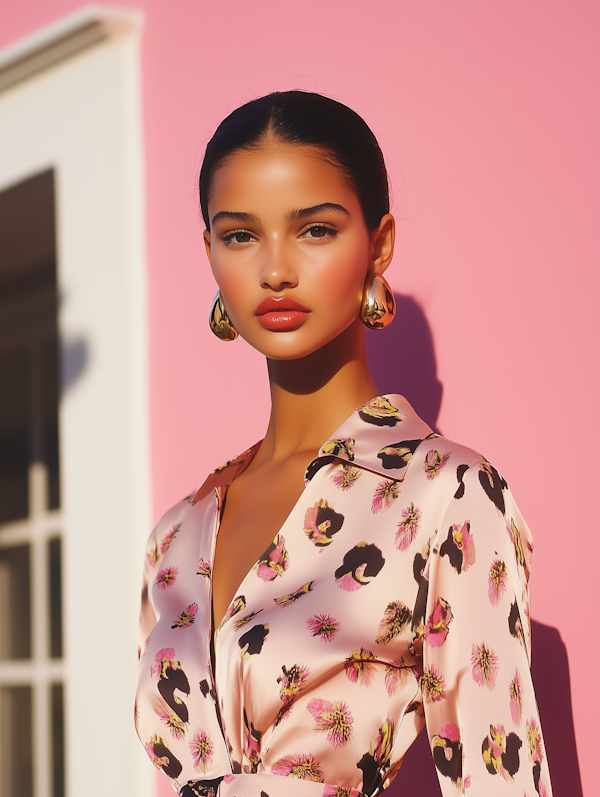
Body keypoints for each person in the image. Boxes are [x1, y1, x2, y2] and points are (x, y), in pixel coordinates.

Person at [135, 91, 552, 797]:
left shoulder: (447, 493)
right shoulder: (176, 533)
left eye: (315, 230)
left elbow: (499, 780)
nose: (274, 269)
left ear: (379, 243)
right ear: (208, 250)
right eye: (240, 235)